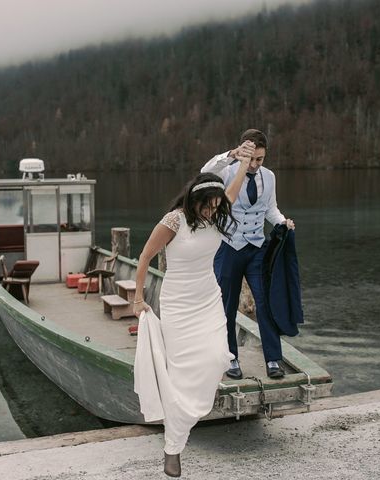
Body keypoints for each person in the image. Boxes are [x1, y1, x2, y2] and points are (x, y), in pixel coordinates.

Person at [132, 158, 252, 478]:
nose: (213, 212)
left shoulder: (215, 212)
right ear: (194, 201)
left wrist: (243, 161)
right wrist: (138, 298)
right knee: (181, 378)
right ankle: (173, 449)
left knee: (216, 359)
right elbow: (144, 257)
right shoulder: (174, 221)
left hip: (208, 299)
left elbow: (234, 191)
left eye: (217, 206)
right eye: (208, 206)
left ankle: (188, 419)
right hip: (178, 305)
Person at [201, 128, 295, 380]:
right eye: (251, 159)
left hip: (256, 248)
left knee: (265, 303)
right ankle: (230, 357)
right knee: (227, 306)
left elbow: (270, 209)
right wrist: (232, 155)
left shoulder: (270, 177)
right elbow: (204, 172)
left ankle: (273, 359)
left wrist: (283, 222)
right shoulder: (228, 170)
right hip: (228, 247)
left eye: (260, 159)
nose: (254, 165)